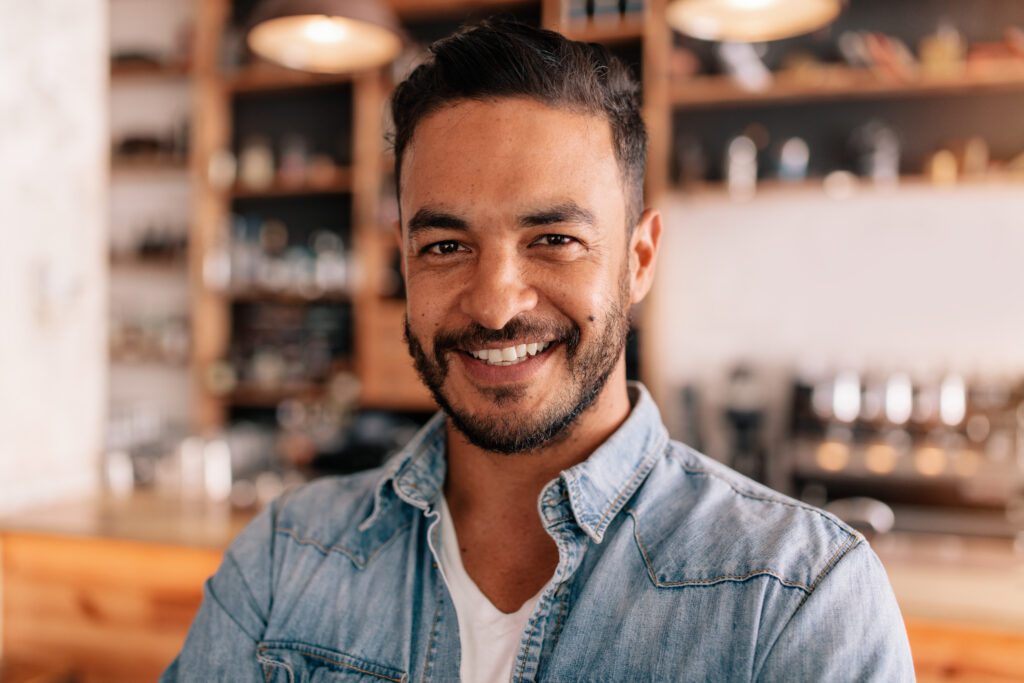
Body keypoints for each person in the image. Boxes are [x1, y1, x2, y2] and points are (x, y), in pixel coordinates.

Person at [163, 20, 914, 682]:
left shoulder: (798, 598)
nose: (495, 302)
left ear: (639, 258)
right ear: (402, 259)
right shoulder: (285, 558)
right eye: (447, 244)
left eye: (554, 240)